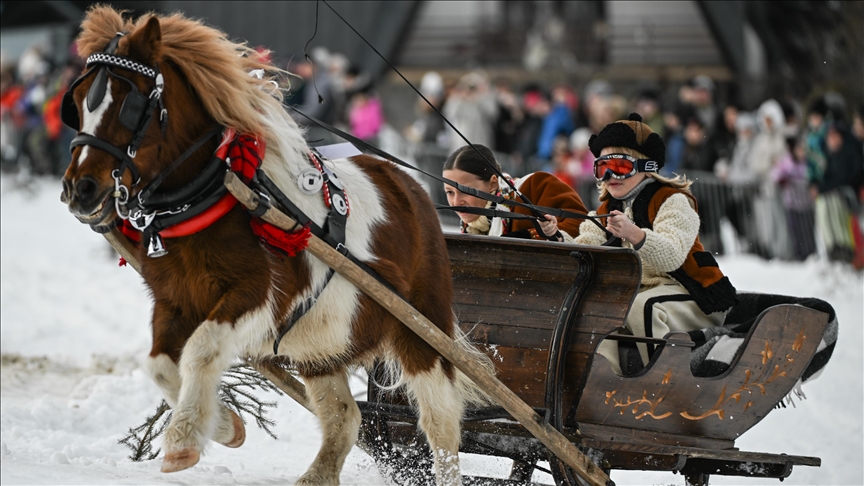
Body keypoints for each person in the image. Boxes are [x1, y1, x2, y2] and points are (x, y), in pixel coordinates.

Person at [574, 113, 737, 375]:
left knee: (640, 307)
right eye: (602, 167)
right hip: (644, 297)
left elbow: (671, 255)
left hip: (692, 297)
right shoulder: (605, 210)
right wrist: (555, 236)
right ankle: (603, 385)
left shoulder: (672, 201)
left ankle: (668, 381)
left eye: (620, 165)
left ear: (646, 166)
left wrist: (635, 234)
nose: (610, 175)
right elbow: (585, 246)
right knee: (599, 311)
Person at [442, 144, 587, 242]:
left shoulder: (535, 185)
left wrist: (532, 235)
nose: (456, 202)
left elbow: (583, 223)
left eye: (466, 191)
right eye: (449, 192)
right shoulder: (473, 229)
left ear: (493, 183)